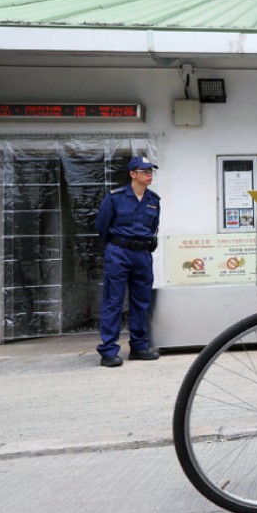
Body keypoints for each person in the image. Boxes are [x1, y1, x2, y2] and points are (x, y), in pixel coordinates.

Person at [95, 156, 161, 367]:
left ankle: (139, 347)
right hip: (119, 252)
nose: (149, 174)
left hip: (142, 254)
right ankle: (109, 351)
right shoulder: (115, 197)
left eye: (151, 171)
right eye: (144, 171)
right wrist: (117, 245)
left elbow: (154, 228)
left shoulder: (153, 200)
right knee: (113, 301)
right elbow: (102, 226)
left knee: (141, 301)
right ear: (133, 174)